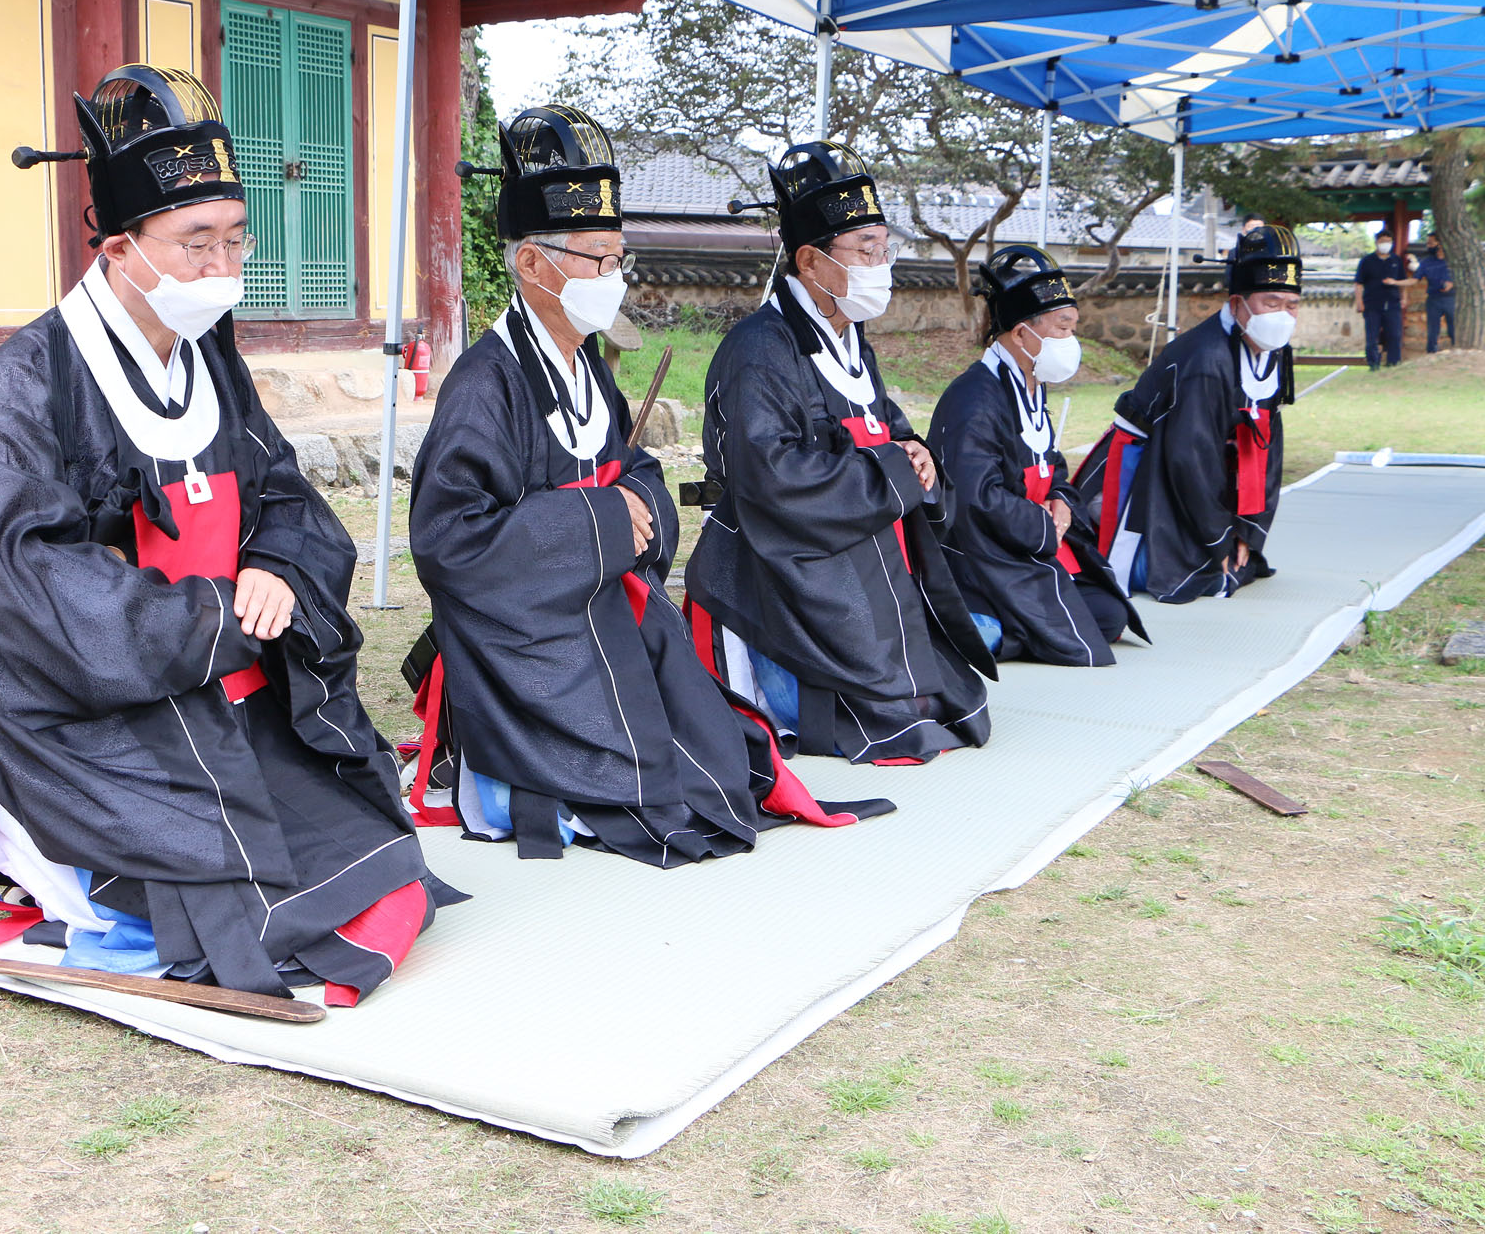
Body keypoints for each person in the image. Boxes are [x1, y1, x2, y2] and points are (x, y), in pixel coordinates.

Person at [0, 65, 458, 1006]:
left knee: (380, 860)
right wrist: (213, 616)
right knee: (235, 900)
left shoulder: (211, 350)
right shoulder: (34, 374)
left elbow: (283, 491)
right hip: (106, 705)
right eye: (194, 243)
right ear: (121, 244)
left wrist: (277, 565)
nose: (222, 268)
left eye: (235, 240)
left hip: (227, 680)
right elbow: (18, 580)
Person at [406, 106, 892, 863]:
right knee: (629, 784)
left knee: (714, 751)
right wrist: (602, 522)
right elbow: (448, 542)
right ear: (534, 266)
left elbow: (630, 467)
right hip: (526, 643)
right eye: (596, 259)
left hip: (603, 609)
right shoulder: (482, 385)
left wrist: (634, 507)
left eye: (617, 258)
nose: (613, 277)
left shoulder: (587, 362)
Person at [683, 140, 995, 765]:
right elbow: (771, 476)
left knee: (959, 690)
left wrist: (918, 460)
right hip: (782, 570)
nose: (882, 262)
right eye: (865, 249)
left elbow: (891, 435)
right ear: (810, 260)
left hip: (865, 561)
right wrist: (889, 470)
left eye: (885, 246)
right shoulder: (759, 350)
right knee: (897, 716)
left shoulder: (852, 340)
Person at [926, 246, 1144, 666]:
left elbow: (1052, 464)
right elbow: (974, 500)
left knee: (1108, 609)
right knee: (1092, 618)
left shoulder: (1031, 382)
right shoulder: (974, 398)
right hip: (988, 554)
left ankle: (1002, 629)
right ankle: (987, 627)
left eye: (1073, 328)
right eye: (1062, 328)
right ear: (1023, 334)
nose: (1071, 340)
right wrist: (1042, 524)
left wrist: (1062, 501)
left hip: (1032, 539)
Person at [1073, 225, 1301, 605]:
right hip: (1147, 474)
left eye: (1291, 305)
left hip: (1197, 480)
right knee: (1202, 574)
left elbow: (1268, 444)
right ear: (1236, 304)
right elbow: (1189, 459)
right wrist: (1218, 539)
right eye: (1270, 302)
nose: (1283, 315)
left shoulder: (1270, 346)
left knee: (1241, 563)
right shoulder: (1205, 360)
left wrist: (1249, 529)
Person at [1354, 230, 1410, 369]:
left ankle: (1393, 363)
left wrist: (1404, 298)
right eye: (1382, 242)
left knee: (1395, 334)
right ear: (1376, 243)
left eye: (1388, 242)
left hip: (1392, 303)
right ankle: (1373, 364)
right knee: (1372, 336)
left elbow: (1403, 281)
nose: (1385, 245)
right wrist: (1359, 302)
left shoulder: (1396, 260)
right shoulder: (1367, 261)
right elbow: (1358, 283)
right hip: (1372, 303)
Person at [1418, 231, 1455, 354]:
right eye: (1427, 243)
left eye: (1431, 243)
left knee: (1454, 329)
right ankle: (1431, 354)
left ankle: (1457, 352)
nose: (1428, 246)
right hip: (1433, 299)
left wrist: (1453, 283)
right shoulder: (1427, 261)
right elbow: (1415, 278)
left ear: (1440, 243)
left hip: (1452, 298)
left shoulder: (1455, 259)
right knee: (1433, 331)